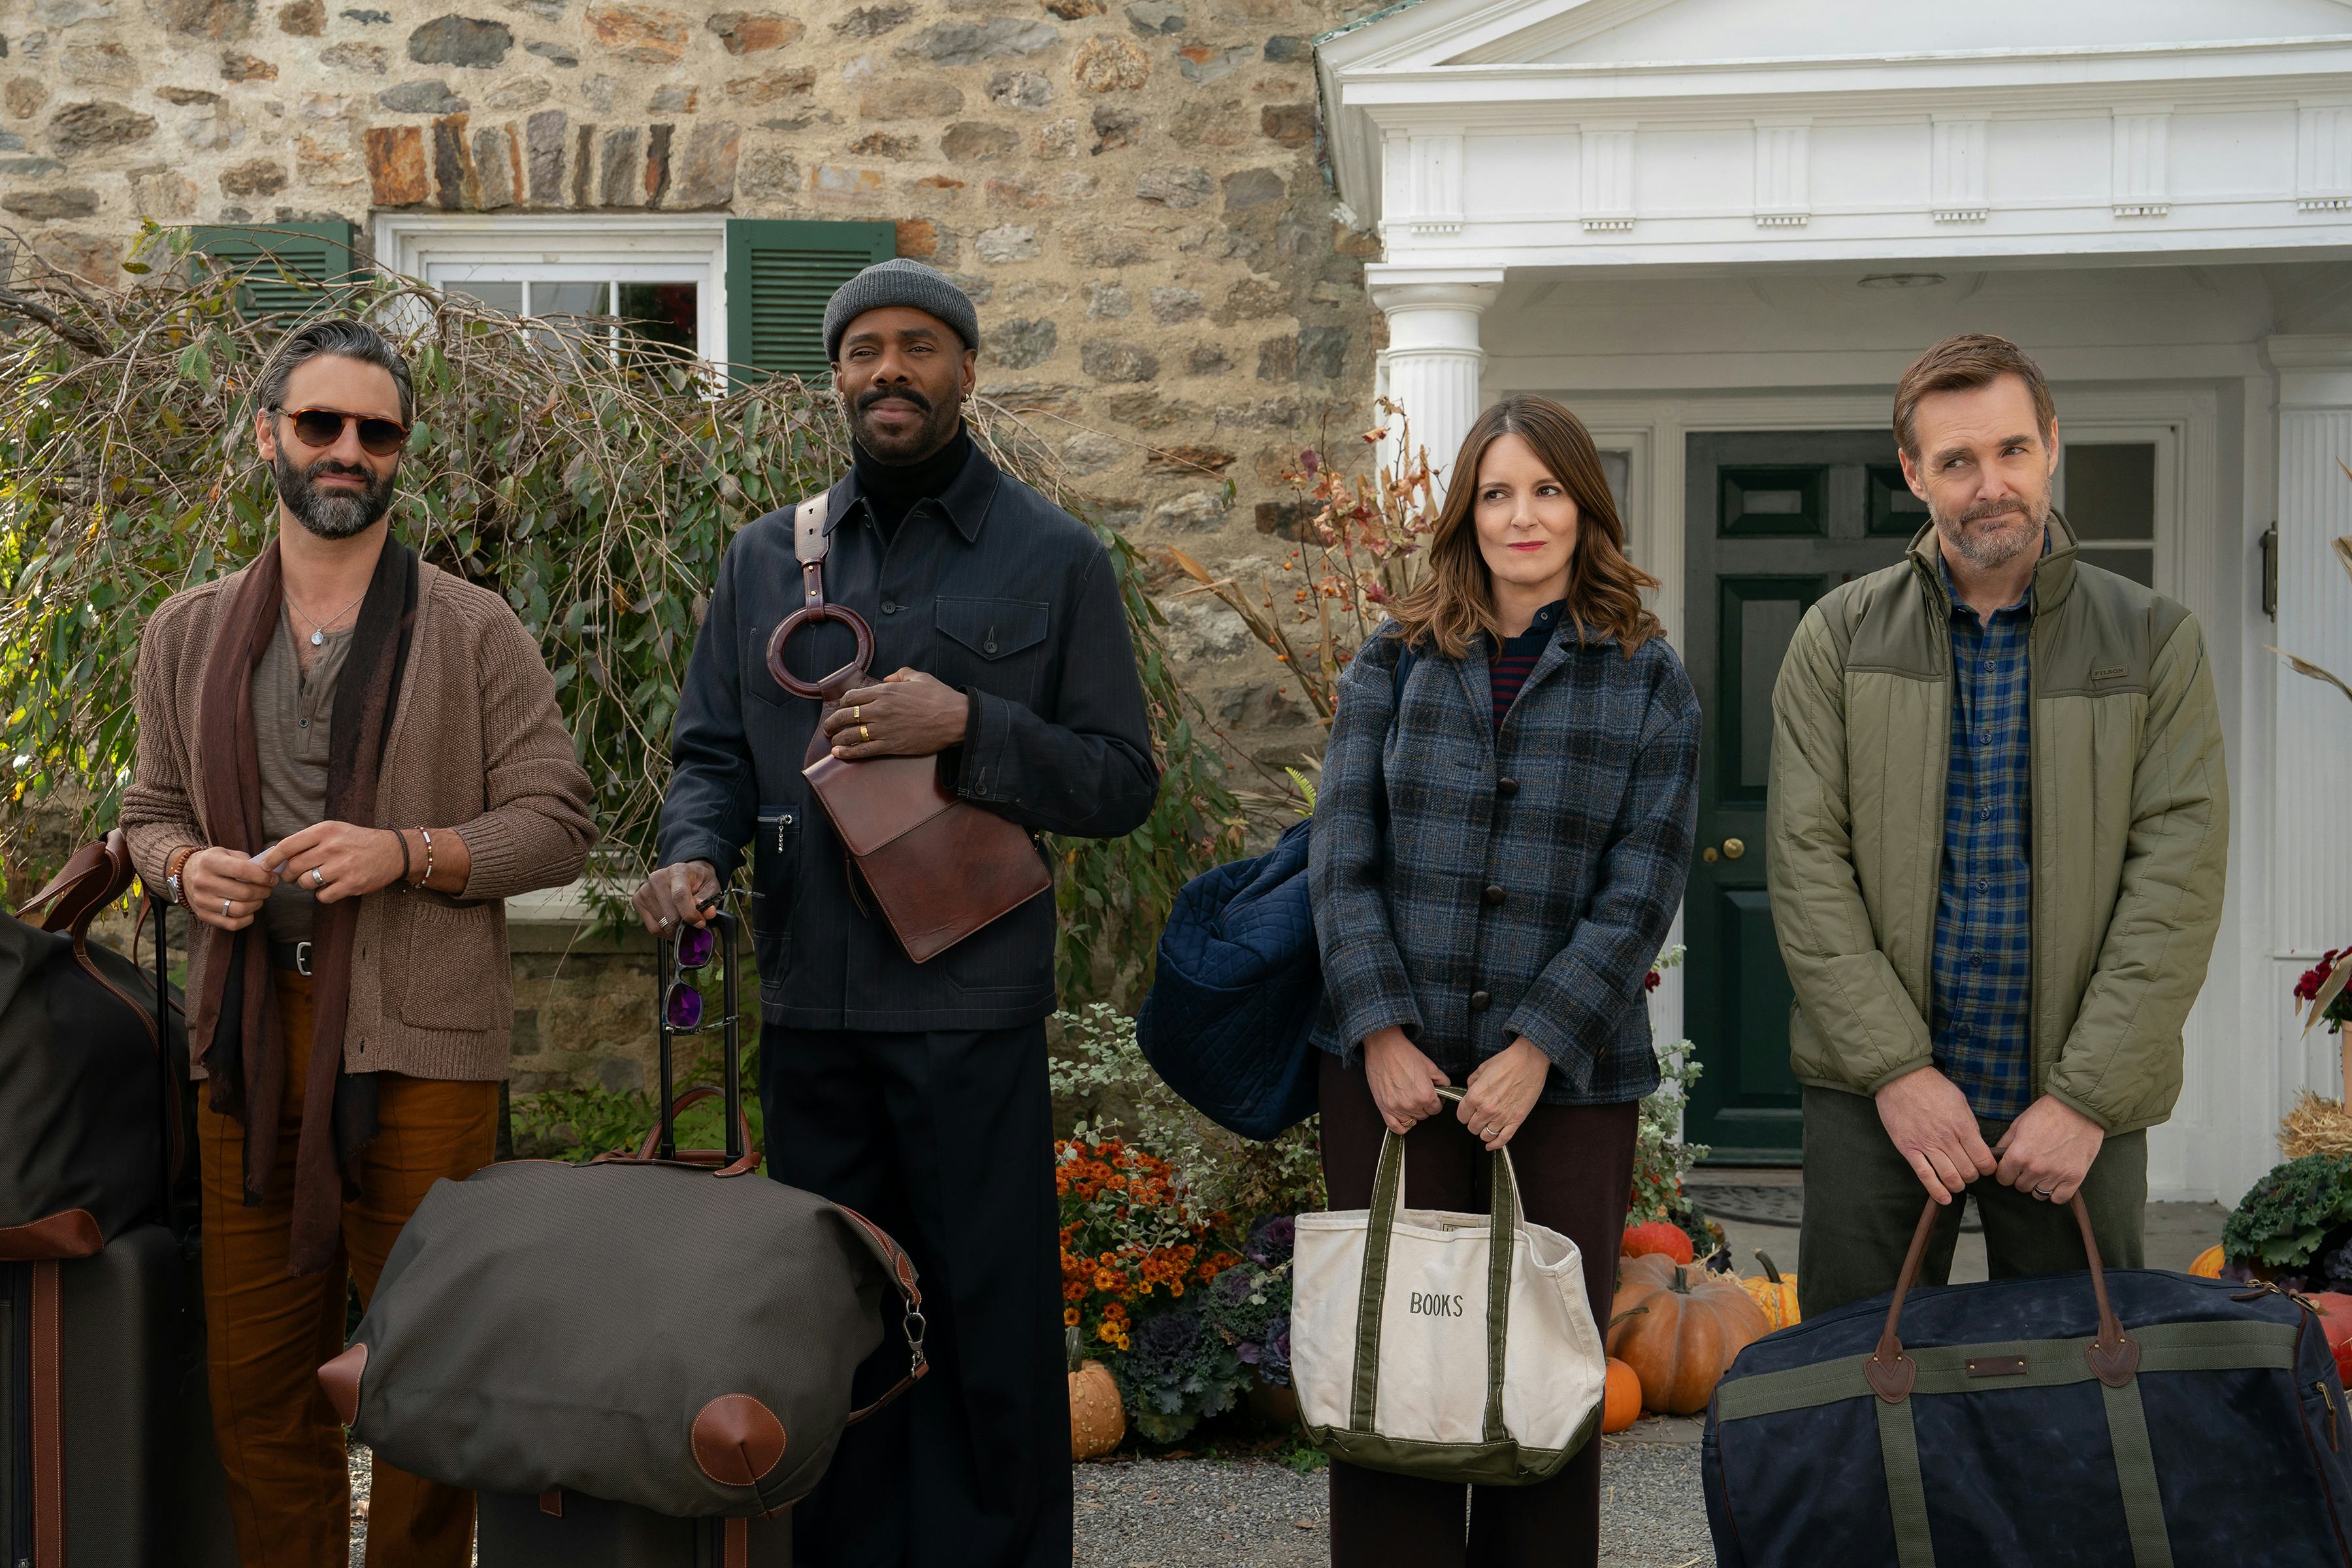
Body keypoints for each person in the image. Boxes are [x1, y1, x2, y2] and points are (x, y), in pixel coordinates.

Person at [633, 257, 1160, 1567]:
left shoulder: (1056, 557)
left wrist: (969, 722)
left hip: (970, 1010)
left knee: (989, 1324)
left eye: (919, 345)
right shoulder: (768, 557)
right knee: (834, 1325)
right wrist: (692, 856)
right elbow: (711, 754)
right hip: (812, 1008)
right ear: (836, 377)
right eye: (864, 348)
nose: (890, 369)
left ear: (965, 370)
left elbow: (1119, 782)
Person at [119, 318, 597, 1565]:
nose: (347, 449)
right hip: (246, 1043)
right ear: (266, 434)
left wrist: (408, 853)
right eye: (321, 422)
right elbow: (149, 811)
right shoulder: (185, 631)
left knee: (428, 1374)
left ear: (400, 453)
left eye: (376, 432)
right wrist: (183, 869)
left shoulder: (474, 629)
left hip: (422, 1045)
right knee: (256, 1386)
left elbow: (558, 822)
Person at [1308, 394, 1699, 1568]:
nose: (1522, 516)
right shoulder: (1394, 659)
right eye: (1496, 494)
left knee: (1543, 1381)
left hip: (1570, 1083)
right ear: (1466, 515)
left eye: (1546, 490)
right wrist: (1379, 1030)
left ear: (1585, 508)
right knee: (1397, 1374)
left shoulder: (1648, 677)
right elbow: (1341, 852)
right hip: (1392, 1078)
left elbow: (1642, 887)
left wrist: (1536, 1047)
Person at [1768, 333, 2229, 1318]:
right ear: (1913, 474)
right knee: (1852, 1373)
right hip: (1875, 1101)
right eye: (1957, 461)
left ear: (2051, 443)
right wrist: (1896, 1071)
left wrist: (2087, 1097)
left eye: (2013, 449)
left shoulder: (2155, 640)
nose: (1991, 486)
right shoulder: (1837, 638)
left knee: (2078, 1383)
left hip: (2073, 1101)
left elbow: (2177, 883)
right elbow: (1808, 868)